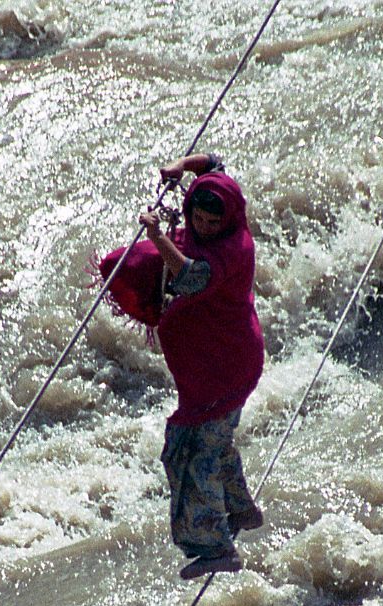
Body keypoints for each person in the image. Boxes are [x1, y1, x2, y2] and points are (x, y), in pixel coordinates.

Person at [99, 153, 265, 580]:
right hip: (219, 364)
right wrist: (179, 165)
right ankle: (240, 510)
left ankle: (215, 547)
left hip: (223, 370)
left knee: (188, 451)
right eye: (199, 220)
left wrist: (157, 236)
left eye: (214, 223)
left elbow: (191, 278)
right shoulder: (219, 201)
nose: (206, 228)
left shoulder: (230, 249)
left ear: (227, 220)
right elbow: (212, 163)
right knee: (215, 441)